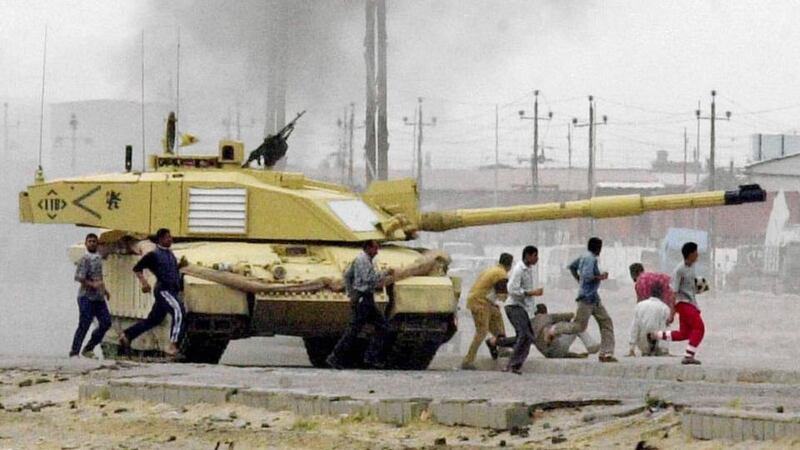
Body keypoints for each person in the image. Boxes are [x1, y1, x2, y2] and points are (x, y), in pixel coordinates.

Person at [547, 237, 617, 363]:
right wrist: (601, 277)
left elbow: (572, 267)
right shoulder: (591, 258)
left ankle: (606, 353)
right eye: (600, 248)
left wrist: (579, 280)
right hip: (587, 298)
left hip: (593, 297)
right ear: (597, 248)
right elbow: (588, 276)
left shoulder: (584, 256)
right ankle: (556, 329)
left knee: (606, 321)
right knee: (579, 326)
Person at [327, 240, 394, 369]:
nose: (377, 251)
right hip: (363, 299)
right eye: (375, 248)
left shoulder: (363, 259)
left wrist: (351, 293)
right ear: (368, 248)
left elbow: (347, 275)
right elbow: (368, 278)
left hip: (364, 298)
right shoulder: (363, 260)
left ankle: (368, 357)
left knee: (378, 327)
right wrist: (385, 272)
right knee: (356, 330)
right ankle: (338, 357)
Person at [120, 228, 185, 357]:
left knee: (153, 320)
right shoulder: (154, 254)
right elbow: (137, 268)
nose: (170, 239)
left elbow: (170, 270)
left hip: (171, 289)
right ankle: (173, 345)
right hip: (164, 290)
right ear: (160, 239)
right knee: (179, 312)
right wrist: (144, 283)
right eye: (167, 237)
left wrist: (180, 266)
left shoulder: (170, 254)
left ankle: (127, 335)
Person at [649, 242, 705, 365]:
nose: (698, 254)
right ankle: (688, 356)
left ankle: (655, 335)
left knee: (684, 334)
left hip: (691, 303)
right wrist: (672, 313)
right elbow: (673, 293)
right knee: (699, 328)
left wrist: (700, 288)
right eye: (696, 252)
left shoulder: (691, 267)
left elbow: (689, 287)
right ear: (690, 254)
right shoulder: (679, 270)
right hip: (683, 304)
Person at [461, 253, 514, 370]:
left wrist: (494, 304)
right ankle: (467, 361)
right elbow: (502, 295)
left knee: (497, 316)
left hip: (482, 301)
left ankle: (502, 346)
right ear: (510, 265)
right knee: (482, 332)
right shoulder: (501, 274)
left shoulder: (493, 270)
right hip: (480, 303)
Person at [69, 233, 112, 358]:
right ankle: (74, 351)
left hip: (98, 297)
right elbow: (79, 277)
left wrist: (105, 290)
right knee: (84, 323)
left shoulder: (98, 258)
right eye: (90, 241)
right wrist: (92, 284)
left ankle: (89, 347)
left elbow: (99, 278)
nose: (92, 243)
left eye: (94, 241)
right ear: (86, 243)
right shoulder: (85, 259)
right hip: (86, 297)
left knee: (106, 322)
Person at [503, 245, 544, 374]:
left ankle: (515, 364)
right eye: (535, 255)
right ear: (527, 255)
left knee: (528, 336)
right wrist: (531, 292)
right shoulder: (519, 270)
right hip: (514, 306)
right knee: (524, 334)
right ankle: (511, 364)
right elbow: (512, 289)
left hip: (522, 308)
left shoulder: (528, 269)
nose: (537, 258)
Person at [531, 304, 599, 358]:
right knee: (577, 326)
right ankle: (591, 345)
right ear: (545, 312)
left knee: (555, 333)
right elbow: (569, 316)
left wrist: (575, 355)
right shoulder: (547, 316)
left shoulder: (530, 324)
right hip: (558, 349)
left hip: (548, 354)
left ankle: (590, 346)